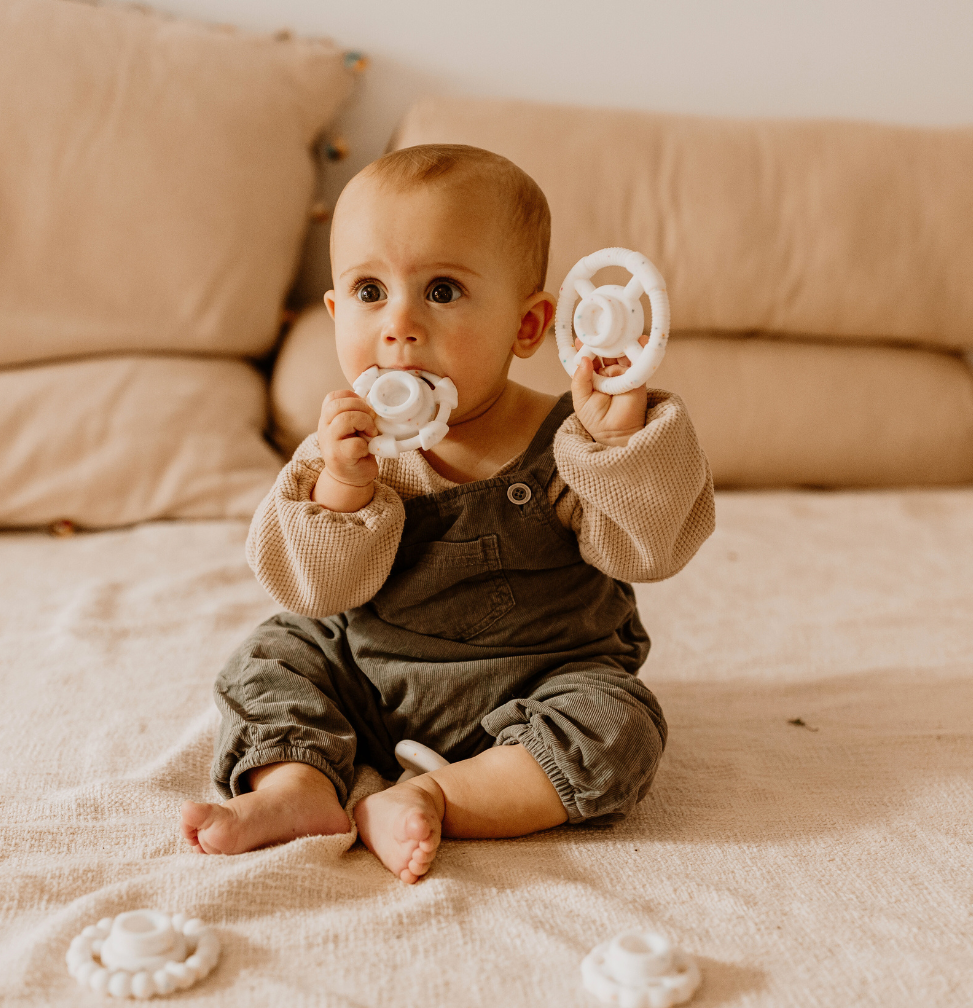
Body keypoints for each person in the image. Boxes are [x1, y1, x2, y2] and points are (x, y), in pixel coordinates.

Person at [180, 144, 714, 883]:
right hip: (368, 673)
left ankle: (439, 797)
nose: (399, 324)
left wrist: (618, 446)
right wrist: (342, 490)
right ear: (335, 313)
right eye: (370, 291)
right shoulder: (343, 448)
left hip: (539, 679)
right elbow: (313, 591)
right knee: (273, 657)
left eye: (441, 290)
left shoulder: (571, 439)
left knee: (619, 726)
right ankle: (297, 784)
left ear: (528, 325)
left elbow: (650, 550)